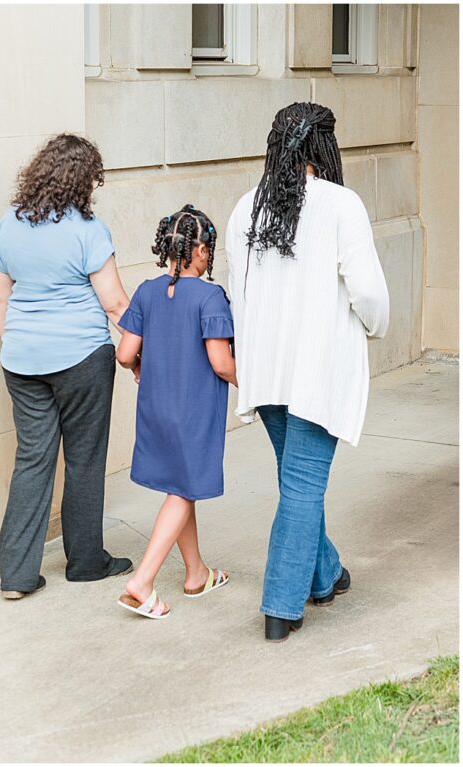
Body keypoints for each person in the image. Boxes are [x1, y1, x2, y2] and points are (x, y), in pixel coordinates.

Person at [226, 102, 389, 642]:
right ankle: (280, 605)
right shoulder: (342, 204)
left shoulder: (247, 207)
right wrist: (375, 326)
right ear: (325, 147)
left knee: (297, 480)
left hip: (266, 368)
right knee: (301, 484)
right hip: (315, 368)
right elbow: (367, 291)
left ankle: (325, 574)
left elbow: (240, 294)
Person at [0, 134, 134, 599]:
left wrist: (21, 344)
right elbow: (114, 303)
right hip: (81, 358)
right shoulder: (88, 229)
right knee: (84, 460)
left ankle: (15, 575)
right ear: (83, 180)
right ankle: (87, 562)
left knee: (32, 460)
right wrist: (141, 348)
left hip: (22, 363)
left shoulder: (9, 223)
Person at [114, 205, 236, 620]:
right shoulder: (209, 296)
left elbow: (125, 352)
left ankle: (196, 573)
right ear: (200, 250)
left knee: (179, 485)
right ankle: (141, 583)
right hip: (194, 409)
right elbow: (220, 362)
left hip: (156, 408)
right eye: (208, 250)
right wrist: (253, 384)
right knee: (184, 488)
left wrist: (140, 367)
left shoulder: (147, 290)